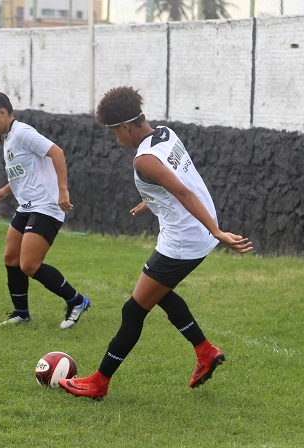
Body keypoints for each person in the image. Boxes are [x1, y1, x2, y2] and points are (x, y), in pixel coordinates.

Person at [58, 86, 253, 399]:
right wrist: (151, 200)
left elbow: (184, 192)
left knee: (132, 311)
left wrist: (217, 232)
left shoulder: (143, 160)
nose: (116, 139)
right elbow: (176, 180)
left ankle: (98, 383)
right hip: (193, 233)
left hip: (184, 240)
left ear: (124, 126)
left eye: (113, 133)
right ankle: (204, 352)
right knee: (160, 293)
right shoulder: (164, 133)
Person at [0, 87, 91, 329]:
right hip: (27, 206)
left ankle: (77, 301)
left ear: (2, 112)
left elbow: (57, 153)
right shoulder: (9, 137)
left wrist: (63, 190)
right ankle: (21, 313)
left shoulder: (23, 133)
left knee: (29, 265)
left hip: (46, 205)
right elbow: (24, 170)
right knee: (11, 257)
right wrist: (5, 190)